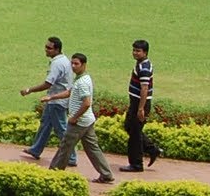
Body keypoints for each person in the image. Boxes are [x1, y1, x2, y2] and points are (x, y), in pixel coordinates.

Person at [43, 52, 114, 185]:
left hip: (79, 122)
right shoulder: (82, 79)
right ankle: (106, 174)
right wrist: (52, 97)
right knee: (92, 148)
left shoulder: (82, 82)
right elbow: (70, 92)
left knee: (65, 146)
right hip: (87, 121)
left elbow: (87, 102)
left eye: (76, 64)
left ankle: (54, 173)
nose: (73, 66)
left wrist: (75, 117)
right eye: (72, 63)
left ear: (84, 65)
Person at [20, 36, 75, 166]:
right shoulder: (63, 59)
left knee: (61, 129)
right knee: (45, 125)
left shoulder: (57, 64)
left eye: (49, 48)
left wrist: (29, 90)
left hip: (57, 101)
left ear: (57, 49)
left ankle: (71, 157)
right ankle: (36, 149)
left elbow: (47, 84)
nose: (46, 50)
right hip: (56, 100)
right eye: (46, 47)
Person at [121, 39, 162, 172]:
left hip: (140, 104)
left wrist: (140, 109)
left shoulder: (144, 68)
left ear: (145, 52)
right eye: (134, 50)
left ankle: (136, 164)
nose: (135, 53)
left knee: (134, 135)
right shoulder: (143, 64)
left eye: (138, 51)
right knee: (129, 126)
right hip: (136, 103)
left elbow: (144, 89)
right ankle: (152, 149)